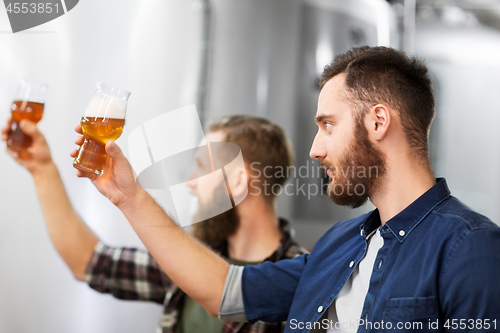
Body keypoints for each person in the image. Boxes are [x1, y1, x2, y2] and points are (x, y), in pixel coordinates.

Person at [60, 45, 500, 332]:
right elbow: (225, 291)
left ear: (378, 122)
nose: (315, 149)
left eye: (328, 125)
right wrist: (129, 195)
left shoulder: (470, 248)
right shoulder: (338, 246)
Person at [1, 114, 307, 333]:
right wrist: (42, 169)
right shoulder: (189, 257)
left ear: (239, 180)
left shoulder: (305, 283)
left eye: (201, 166)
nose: (189, 182)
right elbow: (89, 263)